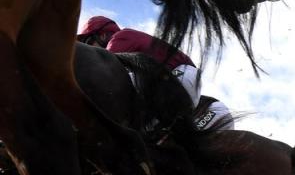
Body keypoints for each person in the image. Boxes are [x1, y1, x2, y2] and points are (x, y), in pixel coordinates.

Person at [77, 16, 233, 129]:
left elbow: (101, 72)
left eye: (90, 43)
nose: (92, 49)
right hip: (185, 80)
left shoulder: (119, 38)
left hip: (180, 78)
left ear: (103, 35)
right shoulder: (128, 43)